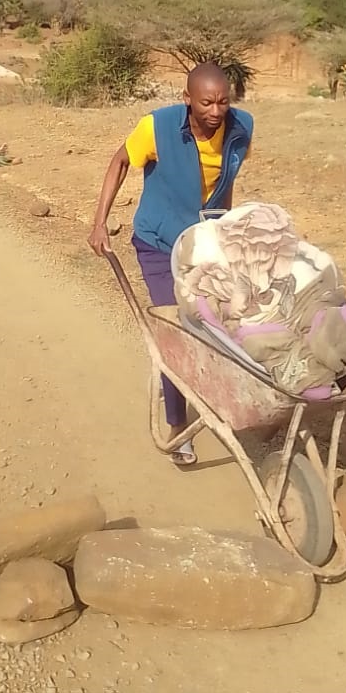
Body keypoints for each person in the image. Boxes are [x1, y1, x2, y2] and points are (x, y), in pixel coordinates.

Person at [89, 63, 254, 466]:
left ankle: (199, 386)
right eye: (206, 102)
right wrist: (98, 222)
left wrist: (224, 234)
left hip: (203, 242)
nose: (216, 111)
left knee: (218, 320)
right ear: (187, 99)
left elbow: (225, 183)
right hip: (158, 242)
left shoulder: (242, 128)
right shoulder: (157, 127)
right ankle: (178, 425)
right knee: (175, 329)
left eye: (223, 102)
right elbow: (119, 163)